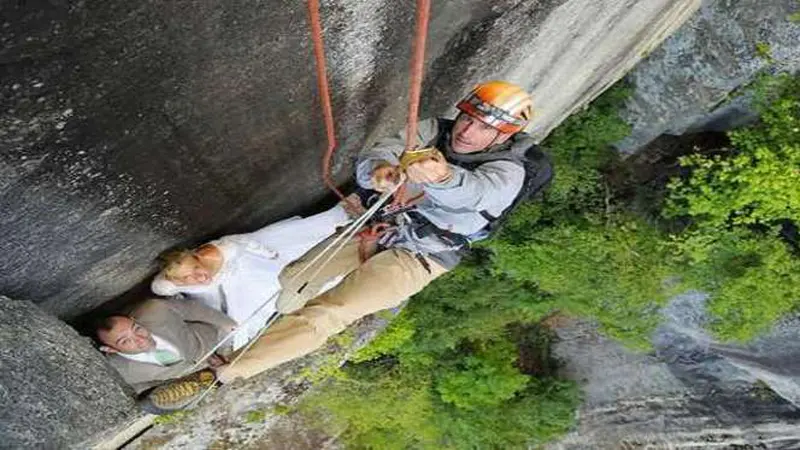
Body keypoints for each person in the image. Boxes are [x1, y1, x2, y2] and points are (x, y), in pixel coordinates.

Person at [208, 80, 551, 383]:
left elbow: (475, 194)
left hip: (423, 256)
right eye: (466, 119)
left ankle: (227, 371)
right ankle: (275, 328)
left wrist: (443, 177)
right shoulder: (434, 130)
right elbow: (379, 152)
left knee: (331, 312)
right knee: (294, 279)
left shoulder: (509, 171)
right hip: (381, 226)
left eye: (482, 128)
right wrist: (379, 172)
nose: (466, 132)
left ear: (503, 135)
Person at [150, 202, 355, 349]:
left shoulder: (219, 250)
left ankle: (344, 232)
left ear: (198, 258)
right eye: (186, 279)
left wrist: (269, 255)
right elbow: (158, 287)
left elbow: (247, 243)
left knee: (288, 265)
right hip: (227, 291)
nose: (196, 278)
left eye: (196, 270)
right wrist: (174, 281)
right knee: (240, 317)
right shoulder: (175, 282)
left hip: (251, 264)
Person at [95, 298, 236, 394]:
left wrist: (228, 325)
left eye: (137, 329)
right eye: (126, 341)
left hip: (217, 342)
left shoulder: (155, 310)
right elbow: (140, 389)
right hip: (197, 380)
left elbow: (193, 309)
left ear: (134, 320)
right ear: (111, 350)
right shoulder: (121, 373)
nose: (141, 339)